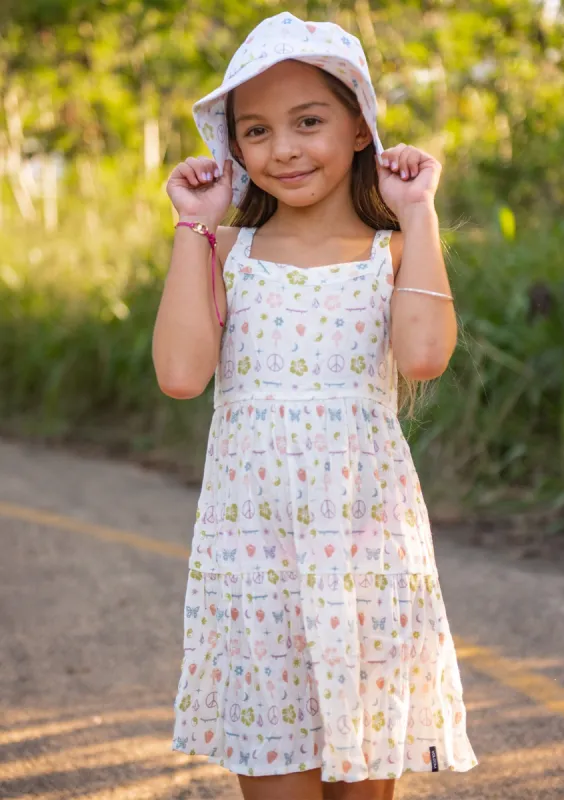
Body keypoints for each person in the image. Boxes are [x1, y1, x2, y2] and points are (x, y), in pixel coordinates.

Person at [154, 11, 477, 800]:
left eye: (309, 121)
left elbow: (426, 355)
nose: (284, 148)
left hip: (365, 549)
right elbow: (181, 373)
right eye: (256, 130)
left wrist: (419, 212)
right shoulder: (226, 251)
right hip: (254, 554)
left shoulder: (392, 250)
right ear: (233, 148)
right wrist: (192, 229)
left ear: (360, 127)